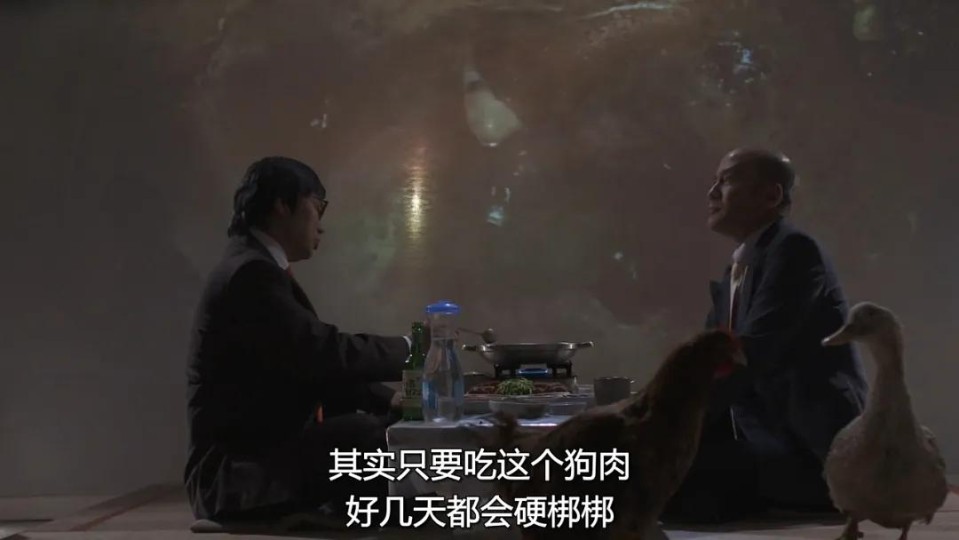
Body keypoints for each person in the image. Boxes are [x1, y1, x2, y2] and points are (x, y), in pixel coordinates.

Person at [184, 156, 414, 522]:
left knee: (385, 432)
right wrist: (412, 348)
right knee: (371, 438)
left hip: (253, 461)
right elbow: (321, 353)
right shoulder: (249, 273)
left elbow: (311, 367)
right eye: (317, 208)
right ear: (282, 204)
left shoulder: (253, 265)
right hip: (233, 476)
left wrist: (391, 400)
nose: (321, 226)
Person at [662, 148, 869, 523]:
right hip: (760, 441)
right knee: (648, 469)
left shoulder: (795, 251)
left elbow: (750, 355)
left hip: (811, 455)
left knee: (665, 477)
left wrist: (662, 417)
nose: (711, 192)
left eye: (725, 180)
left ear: (771, 195)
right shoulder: (737, 269)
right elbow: (703, 365)